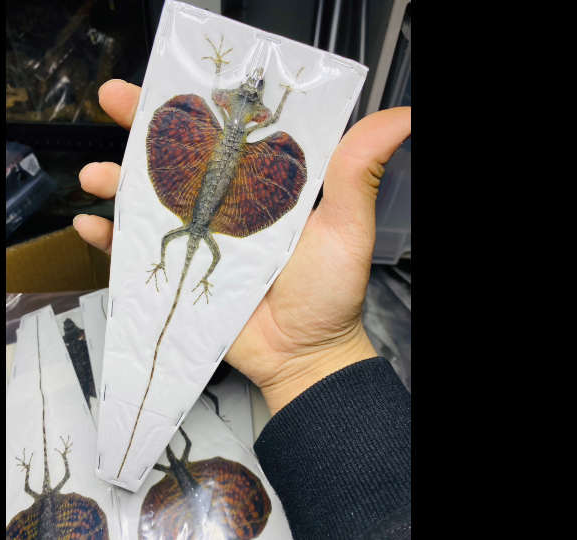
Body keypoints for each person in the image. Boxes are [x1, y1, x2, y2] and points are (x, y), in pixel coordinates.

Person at [73, 79, 412, 540]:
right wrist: (316, 360)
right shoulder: (241, 121)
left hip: (200, 218)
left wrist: (314, 358)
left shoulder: (231, 121)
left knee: (178, 244)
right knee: (180, 248)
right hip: (199, 218)